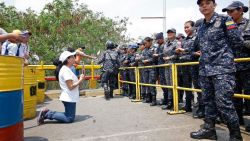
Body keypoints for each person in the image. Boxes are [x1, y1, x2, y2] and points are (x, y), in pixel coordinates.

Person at [190, 0, 244, 140]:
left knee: (224, 102)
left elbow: (237, 41)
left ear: (214, 5)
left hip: (222, 69)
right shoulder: (201, 25)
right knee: (208, 101)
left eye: (208, 3)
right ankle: (209, 130)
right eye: (201, 4)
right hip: (205, 70)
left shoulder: (226, 20)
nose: (204, 6)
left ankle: (235, 135)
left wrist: (225, 57)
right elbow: (197, 46)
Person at [222, 0, 250, 131]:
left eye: (231, 11)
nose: (229, 13)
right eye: (227, 11)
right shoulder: (227, 26)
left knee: (249, 94)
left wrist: (240, 42)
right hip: (232, 66)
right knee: (234, 94)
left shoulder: (248, 25)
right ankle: (237, 119)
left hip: (247, 66)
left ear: (240, 10)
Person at [37, 51, 85, 125]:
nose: (74, 58)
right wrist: (80, 80)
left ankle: (48, 113)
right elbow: (71, 87)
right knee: (69, 118)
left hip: (70, 97)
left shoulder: (67, 69)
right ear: (68, 59)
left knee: (69, 116)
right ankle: (47, 113)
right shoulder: (66, 71)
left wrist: (79, 79)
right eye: (72, 57)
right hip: (69, 97)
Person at [162, 28, 179, 110]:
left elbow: (177, 55)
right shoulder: (166, 44)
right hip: (166, 65)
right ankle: (170, 101)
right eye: (168, 32)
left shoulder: (177, 43)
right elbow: (164, 53)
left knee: (173, 84)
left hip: (173, 65)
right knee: (168, 84)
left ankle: (175, 102)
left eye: (171, 32)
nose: (169, 34)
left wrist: (169, 57)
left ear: (175, 33)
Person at [153, 32, 169, 107]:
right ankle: (165, 99)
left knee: (165, 84)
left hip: (164, 66)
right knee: (162, 84)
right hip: (160, 67)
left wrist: (158, 55)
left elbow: (165, 53)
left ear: (161, 38)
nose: (157, 41)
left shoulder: (164, 45)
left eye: (158, 39)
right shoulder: (159, 46)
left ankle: (167, 100)